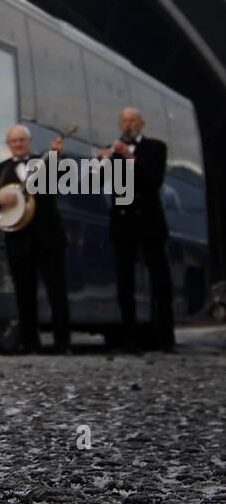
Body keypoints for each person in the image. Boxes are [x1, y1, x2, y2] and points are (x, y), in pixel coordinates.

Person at [0, 125, 70, 353]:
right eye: (14, 141)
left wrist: (57, 157)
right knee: (23, 293)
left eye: (22, 140)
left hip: (48, 238)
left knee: (57, 292)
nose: (18, 144)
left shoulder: (43, 163)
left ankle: (62, 344)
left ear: (29, 142)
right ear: (9, 145)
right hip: (18, 240)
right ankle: (29, 342)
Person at [98, 107, 174, 352]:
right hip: (124, 224)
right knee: (125, 283)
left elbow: (153, 182)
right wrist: (100, 163)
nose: (128, 124)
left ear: (142, 123)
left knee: (160, 283)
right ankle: (129, 340)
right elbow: (101, 185)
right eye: (124, 121)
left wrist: (131, 159)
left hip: (149, 223)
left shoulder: (156, 148)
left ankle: (166, 339)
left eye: (132, 120)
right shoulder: (114, 152)